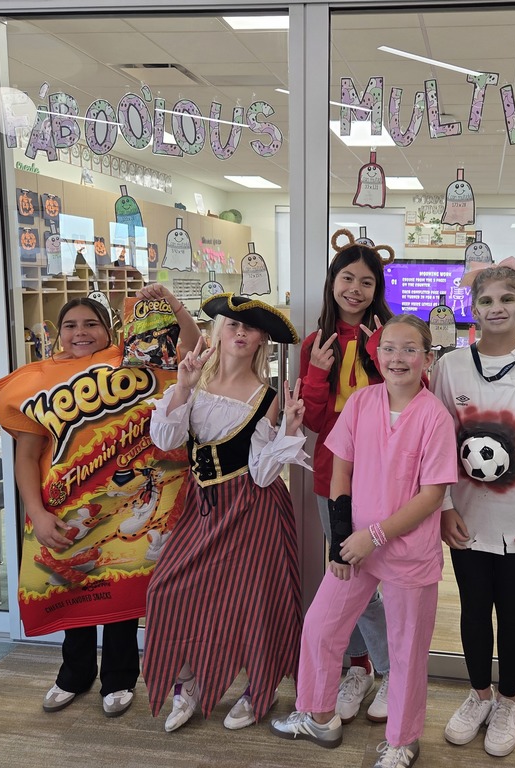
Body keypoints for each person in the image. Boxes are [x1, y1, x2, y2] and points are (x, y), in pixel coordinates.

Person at [0, 285, 199, 717]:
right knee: (71, 589)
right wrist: (35, 511)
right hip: (62, 505)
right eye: (70, 325)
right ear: (58, 332)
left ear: (110, 330)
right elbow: (27, 454)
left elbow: (195, 347)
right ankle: (74, 673)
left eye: (91, 324)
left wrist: (172, 303)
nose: (80, 332)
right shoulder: (36, 380)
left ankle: (120, 677)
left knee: (119, 592)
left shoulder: (136, 358)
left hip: (123, 499)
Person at [271, 314, 457, 768]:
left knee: (407, 648)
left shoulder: (435, 417)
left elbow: (432, 494)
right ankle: (318, 714)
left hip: (405, 552)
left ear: (427, 358)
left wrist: (373, 536)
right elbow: (341, 467)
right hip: (354, 545)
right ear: (377, 355)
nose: (397, 358)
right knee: (320, 626)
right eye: (389, 348)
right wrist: (339, 538)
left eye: (410, 349)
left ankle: (402, 740)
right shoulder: (361, 402)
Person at [143, 293, 307, 733]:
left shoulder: (268, 396)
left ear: (260, 341)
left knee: (253, 604)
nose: (239, 331)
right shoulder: (194, 380)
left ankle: (260, 686)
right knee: (167, 592)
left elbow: (264, 472)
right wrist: (181, 386)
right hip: (203, 509)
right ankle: (189, 683)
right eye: (232, 323)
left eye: (250, 327)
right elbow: (165, 439)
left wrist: (289, 429)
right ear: (217, 330)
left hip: (254, 510)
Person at [431, 258, 515, 757]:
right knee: (471, 607)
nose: (497, 308)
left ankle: (508, 699)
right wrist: (444, 506)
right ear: (473, 308)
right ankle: (478, 694)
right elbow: (438, 443)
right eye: (486, 300)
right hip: (466, 516)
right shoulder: (450, 366)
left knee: (512, 610)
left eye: (507, 299)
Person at [298, 230, 393, 723]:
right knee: (342, 575)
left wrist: (380, 350)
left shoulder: (390, 341)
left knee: (376, 580)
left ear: (377, 289)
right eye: (347, 278)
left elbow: (404, 405)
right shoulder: (315, 343)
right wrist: (315, 372)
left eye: (366, 281)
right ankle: (359, 668)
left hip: (384, 478)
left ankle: (392, 669)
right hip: (330, 476)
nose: (355, 289)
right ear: (333, 281)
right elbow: (314, 422)